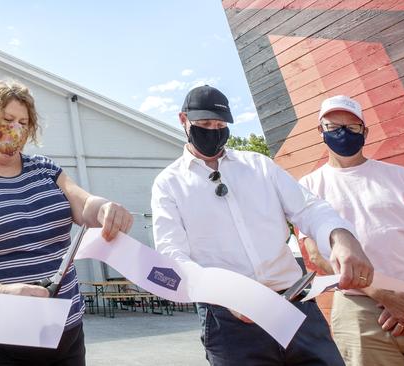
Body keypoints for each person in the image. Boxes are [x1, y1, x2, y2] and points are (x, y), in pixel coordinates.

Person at [151, 85, 374, 365]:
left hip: (294, 303)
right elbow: (172, 253)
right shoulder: (168, 184)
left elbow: (309, 208)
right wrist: (222, 292)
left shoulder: (259, 165)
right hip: (228, 318)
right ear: (184, 120)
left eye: (220, 125)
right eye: (205, 124)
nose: (214, 131)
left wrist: (340, 237)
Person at [0, 80, 133, 366]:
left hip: (64, 334)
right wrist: (1, 292)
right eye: (8, 119)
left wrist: (105, 208)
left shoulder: (45, 169)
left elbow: (83, 204)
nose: (17, 129)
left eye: (24, 122)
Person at [299, 95, 404, 366]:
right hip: (358, 312)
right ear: (321, 132)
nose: (343, 133)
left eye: (352, 127)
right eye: (333, 127)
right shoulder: (307, 188)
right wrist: (382, 294)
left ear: (365, 131)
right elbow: (317, 256)